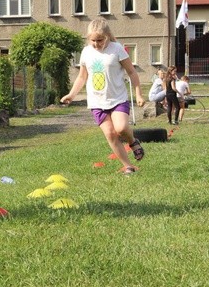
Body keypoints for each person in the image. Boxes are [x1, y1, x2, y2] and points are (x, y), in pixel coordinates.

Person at [60, 18, 146, 174]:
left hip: (117, 98)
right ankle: (128, 166)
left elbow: (132, 72)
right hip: (96, 101)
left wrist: (138, 94)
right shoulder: (86, 51)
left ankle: (133, 142)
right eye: (92, 40)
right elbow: (82, 77)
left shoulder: (117, 49)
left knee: (120, 128)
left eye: (99, 40)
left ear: (107, 36)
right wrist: (72, 95)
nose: (96, 44)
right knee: (110, 134)